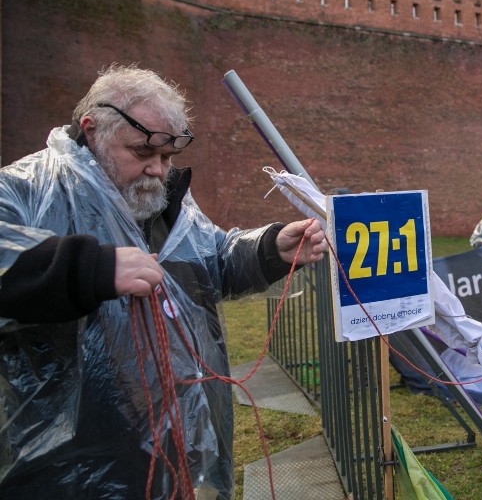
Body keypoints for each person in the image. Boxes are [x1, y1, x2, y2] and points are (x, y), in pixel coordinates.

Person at [0, 64, 327, 498]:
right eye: (141, 152)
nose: (157, 170)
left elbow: (210, 261)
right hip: (73, 467)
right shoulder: (29, 189)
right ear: (92, 129)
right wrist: (88, 269)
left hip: (182, 450)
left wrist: (270, 249)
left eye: (168, 157)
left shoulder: (162, 201)